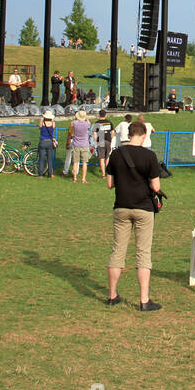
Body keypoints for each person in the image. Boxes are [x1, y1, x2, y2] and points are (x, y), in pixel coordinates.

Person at [105, 121, 163, 311]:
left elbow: (109, 184)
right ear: (144, 135)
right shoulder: (149, 155)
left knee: (117, 251)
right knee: (143, 253)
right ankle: (144, 299)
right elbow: (156, 187)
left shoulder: (116, 154)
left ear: (128, 134)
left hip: (121, 206)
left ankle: (112, 295)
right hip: (144, 208)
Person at [68, 110, 92, 184]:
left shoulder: (75, 123)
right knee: (84, 163)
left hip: (76, 144)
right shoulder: (87, 124)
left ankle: (75, 178)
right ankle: (83, 179)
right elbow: (88, 121)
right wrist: (85, 117)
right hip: (85, 144)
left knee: (75, 162)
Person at [92, 111, 113, 179]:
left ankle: (103, 174)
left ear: (99, 115)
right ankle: (108, 173)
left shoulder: (97, 123)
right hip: (108, 140)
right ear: (106, 115)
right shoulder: (109, 122)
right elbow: (112, 132)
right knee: (107, 158)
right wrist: (111, 139)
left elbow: (94, 133)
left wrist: (96, 141)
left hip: (100, 140)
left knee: (101, 158)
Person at [37, 111, 58, 177]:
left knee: (41, 159)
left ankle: (40, 174)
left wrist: (42, 119)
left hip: (42, 141)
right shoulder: (53, 123)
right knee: (49, 159)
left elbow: (39, 127)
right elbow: (53, 127)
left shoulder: (42, 123)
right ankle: (49, 174)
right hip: (49, 142)